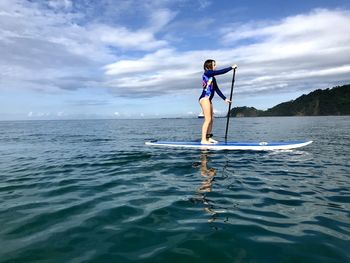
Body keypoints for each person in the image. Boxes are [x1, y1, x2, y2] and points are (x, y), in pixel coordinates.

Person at [199, 59, 237, 144]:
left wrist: (225, 98)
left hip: (208, 99)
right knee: (207, 119)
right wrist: (231, 67)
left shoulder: (212, 78)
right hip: (204, 98)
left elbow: (217, 89)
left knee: (211, 119)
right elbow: (221, 72)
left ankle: (208, 138)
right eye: (214, 64)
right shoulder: (207, 73)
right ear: (208, 66)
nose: (216, 66)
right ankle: (203, 140)